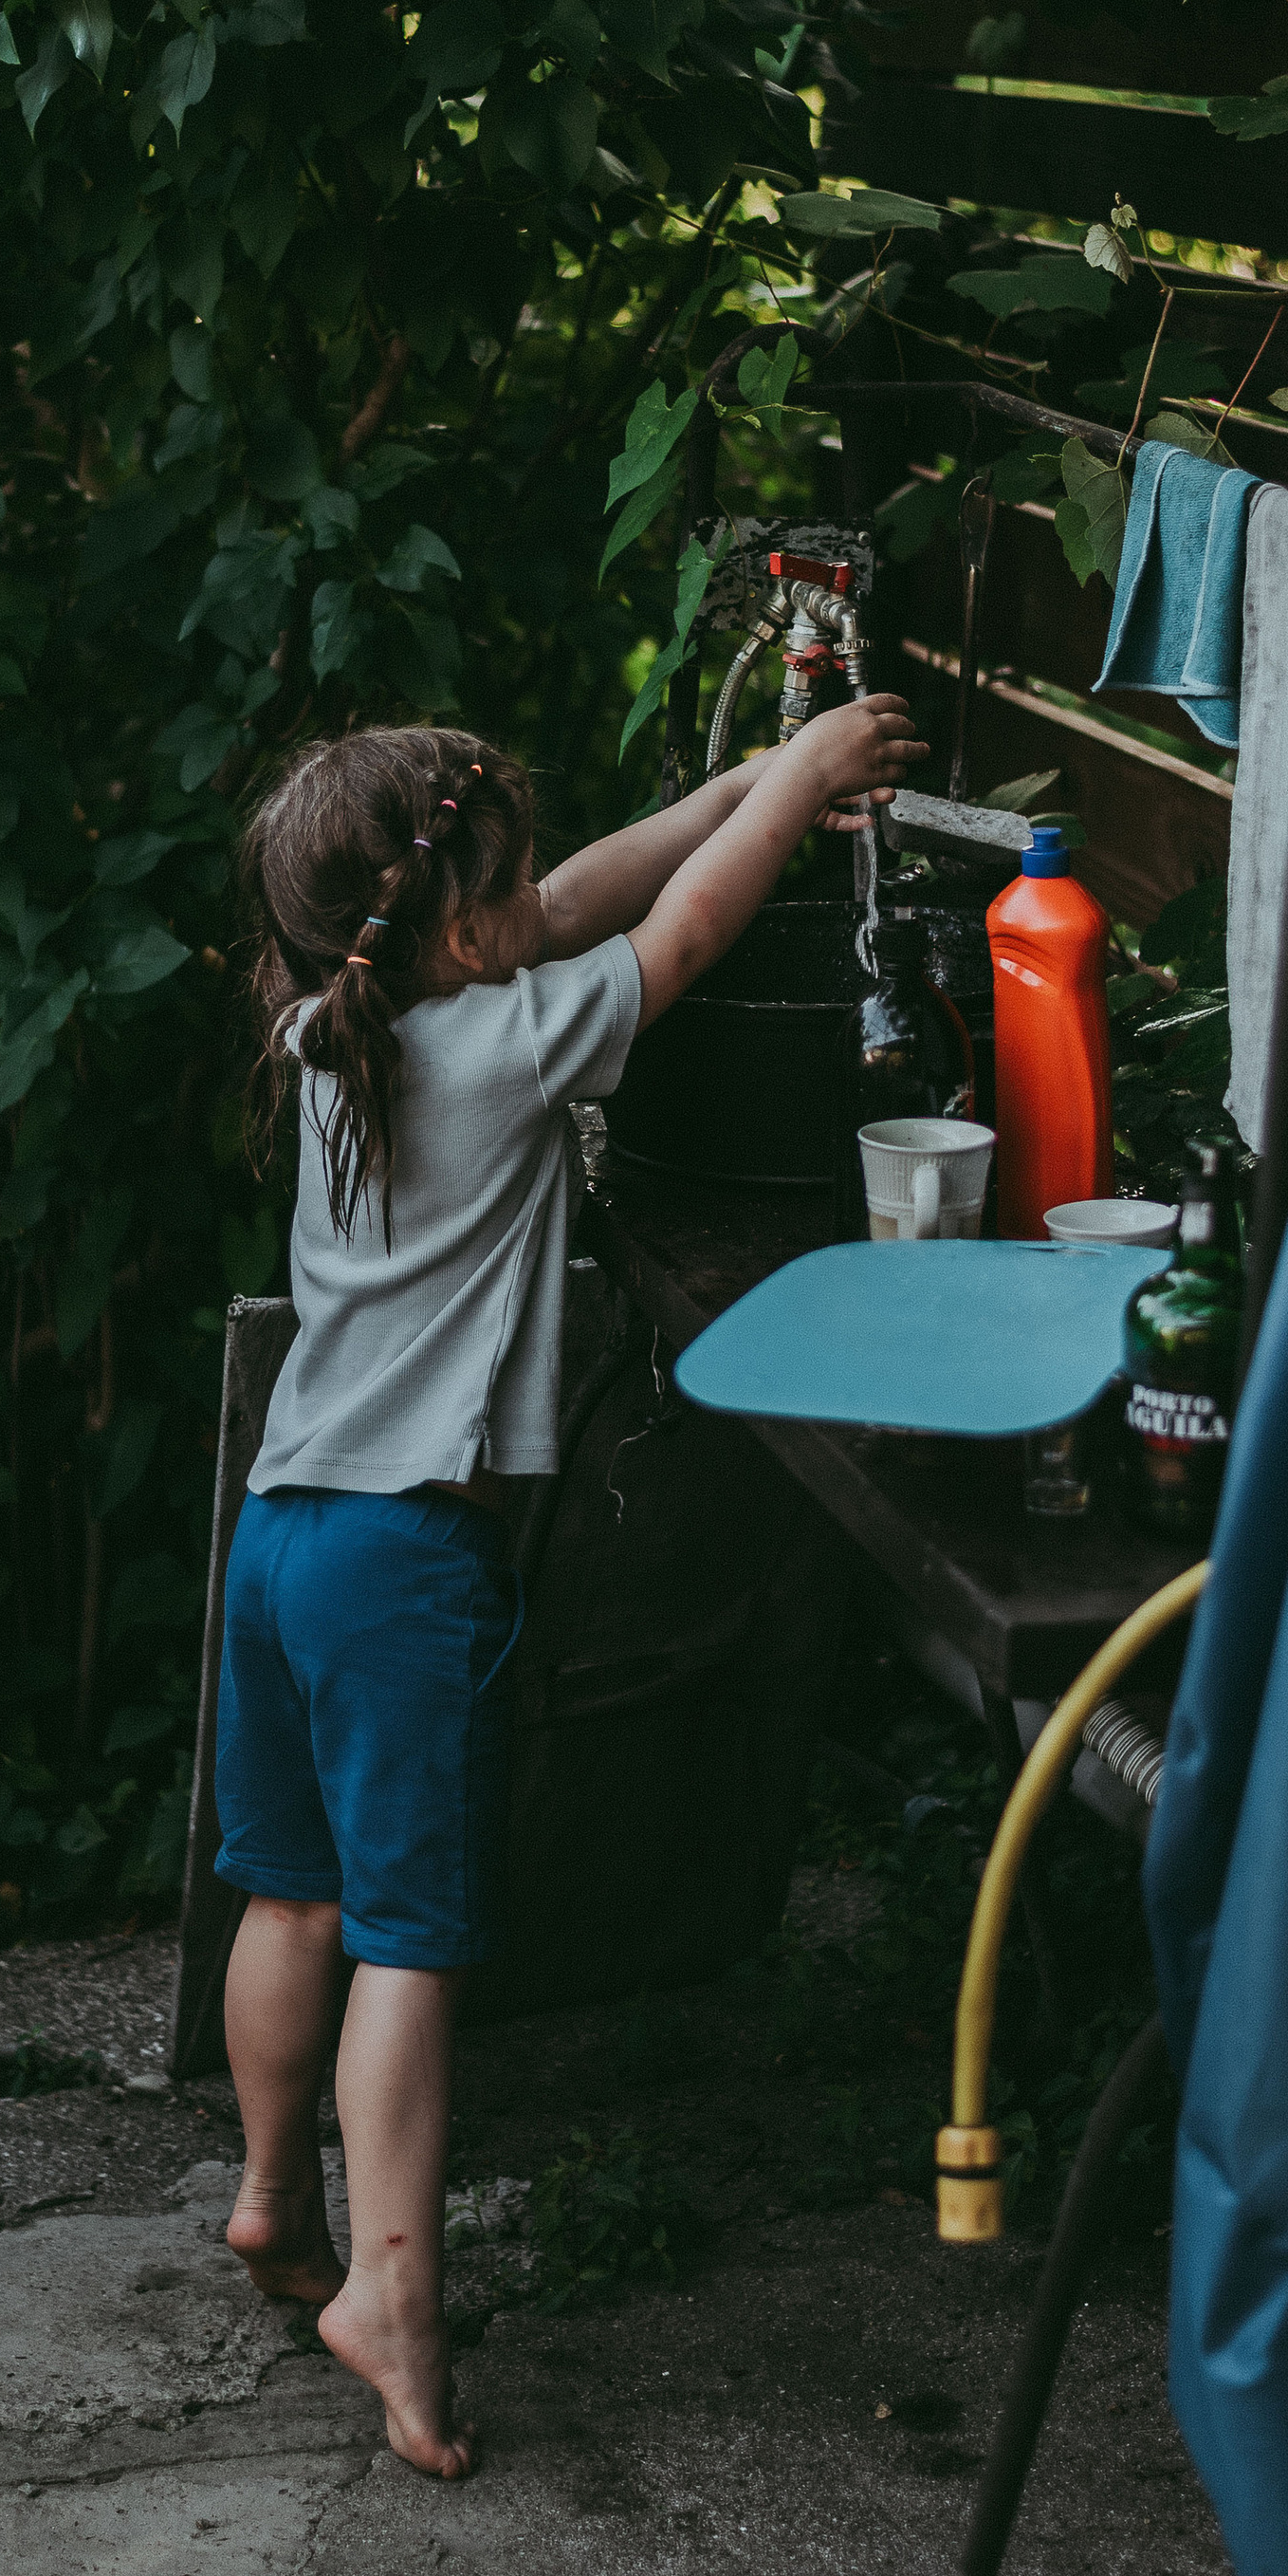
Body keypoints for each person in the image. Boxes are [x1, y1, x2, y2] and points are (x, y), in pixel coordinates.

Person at [217, 692, 924, 2475]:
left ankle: (265, 2197)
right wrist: (803, 790)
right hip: (404, 1559)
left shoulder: (333, 1030)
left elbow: (585, 894)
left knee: (290, 1899)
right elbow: (672, 930)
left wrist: (736, 781)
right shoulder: (505, 1045)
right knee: (411, 1943)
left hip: (283, 1532)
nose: (539, 908)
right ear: (464, 931)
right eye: (510, 893)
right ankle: (392, 2287)